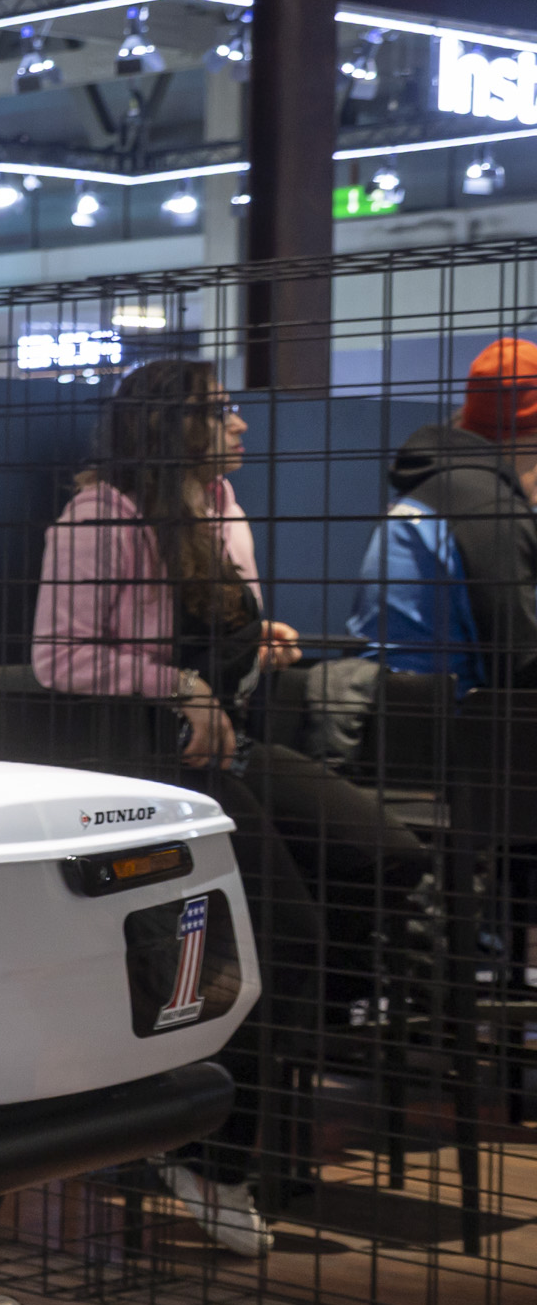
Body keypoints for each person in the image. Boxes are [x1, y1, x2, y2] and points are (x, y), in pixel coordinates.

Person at [34, 358, 430, 1256]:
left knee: (387, 855)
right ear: (168, 426)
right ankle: (207, 1154)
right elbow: (59, 657)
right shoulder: (100, 517)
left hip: (230, 746)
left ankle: (250, 1065)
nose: (240, 425)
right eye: (220, 412)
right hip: (149, 760)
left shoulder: (219, 505)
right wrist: (175, 684)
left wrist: (259, 645)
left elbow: (222, 629)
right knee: (282, 937)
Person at [352, 337, 537, 693]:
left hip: (385, 707)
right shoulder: (490, 511)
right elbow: (521, 666)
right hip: (451, 717)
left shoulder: (436, 489)